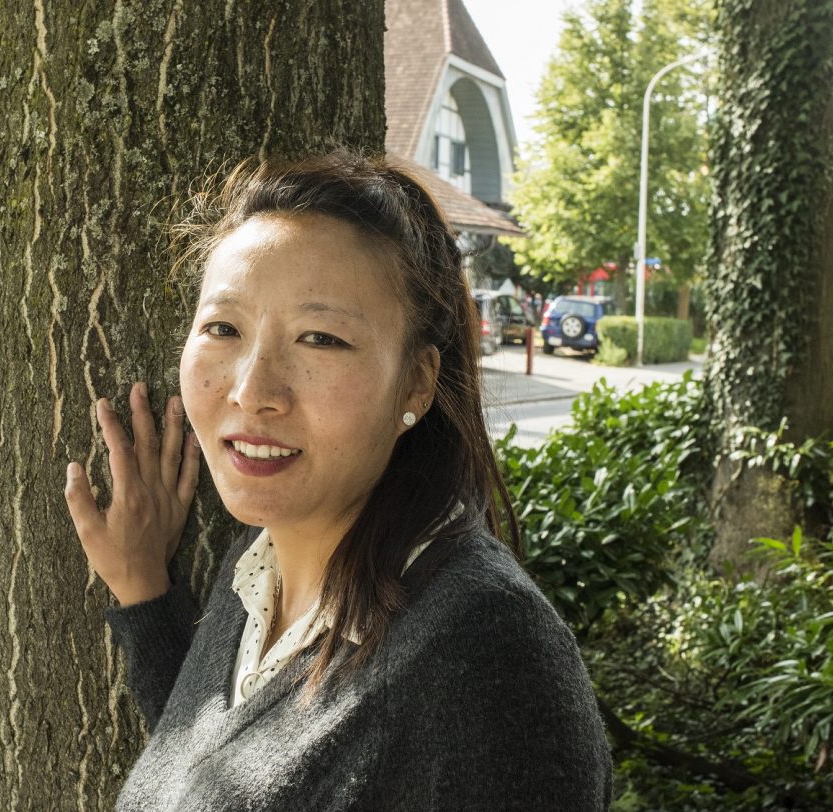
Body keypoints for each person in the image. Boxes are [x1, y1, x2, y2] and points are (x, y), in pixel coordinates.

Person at [63, 151, 612, 810]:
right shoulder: (260, 566)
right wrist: (144, 594)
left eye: (320, 339)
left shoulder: (485, 655)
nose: (252, 390)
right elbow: (225, 779)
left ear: (415, 380)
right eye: (223, 328)